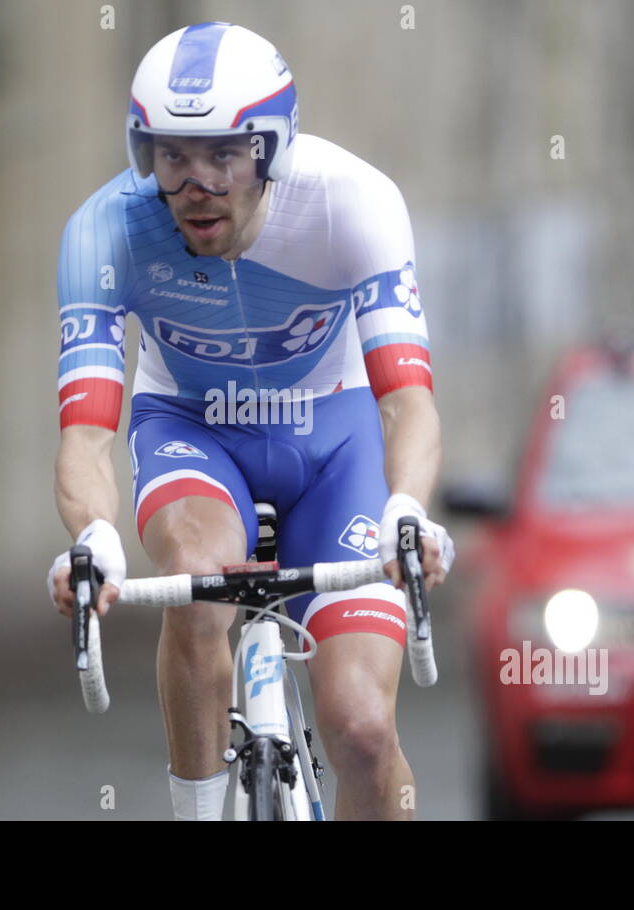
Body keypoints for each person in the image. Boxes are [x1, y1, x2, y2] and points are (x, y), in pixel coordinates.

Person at [48, 21, 454, 820]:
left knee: (364, 731)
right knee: (199, 586)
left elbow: (407, 402)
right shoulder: (104, 232)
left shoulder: (352, 202)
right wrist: (94, 535)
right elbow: (87, 434)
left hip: (334, 443)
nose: (195, 183)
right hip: (192, 430)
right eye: (171, 155)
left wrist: (406, 507)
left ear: (272, 150)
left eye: (224, 155)